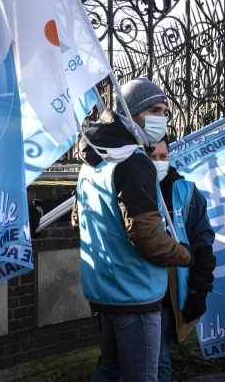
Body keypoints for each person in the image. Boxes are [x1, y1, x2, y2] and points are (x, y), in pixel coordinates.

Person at [78, 77, 194, 382]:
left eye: (164, 110)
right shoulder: (132, 160)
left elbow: (80, 218)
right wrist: (183, 255)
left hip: (106, 290)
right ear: (130, 113)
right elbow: (146, 237)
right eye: (154, 109)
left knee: (110, 371)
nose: (161, 118)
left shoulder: (94, 159)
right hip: (135, 295)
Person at [150, 136, 216, 382]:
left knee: (159, 362)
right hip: (135, 293)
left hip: (168, 297)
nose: (158, 162)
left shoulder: (187, 192)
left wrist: (199, 292)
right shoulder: (132, 188)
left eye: (163, 157)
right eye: (152, 157)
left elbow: (203, 246)